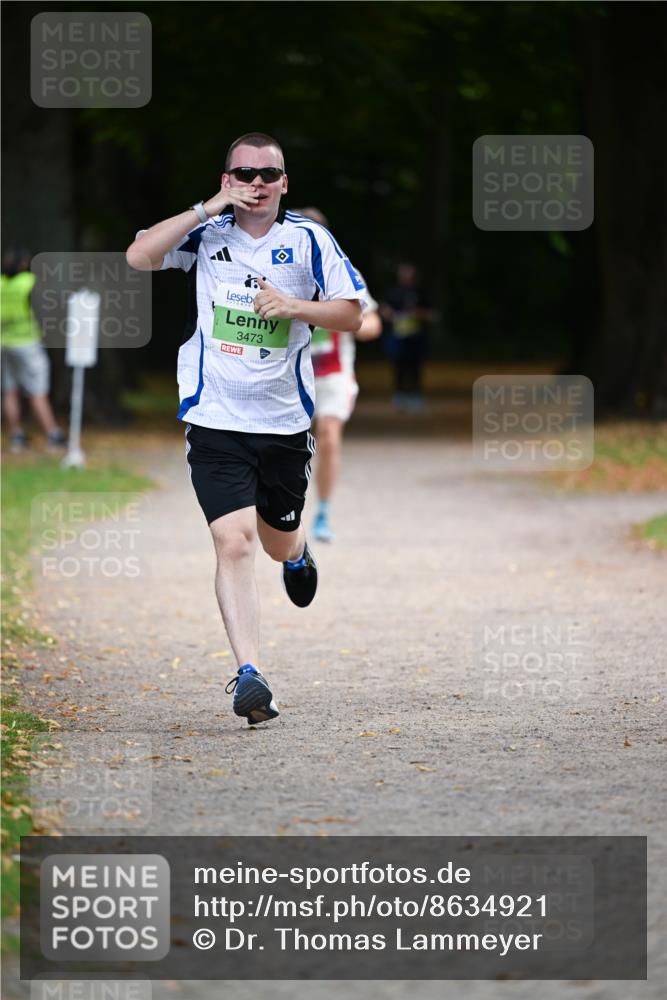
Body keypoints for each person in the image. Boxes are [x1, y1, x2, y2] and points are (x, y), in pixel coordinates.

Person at [126, 132, 365, 726]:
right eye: (243, 173)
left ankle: (298, 551)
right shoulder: (205, 234)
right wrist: (208, 206)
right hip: (214, 417)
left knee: (277, 539)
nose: (255, 183)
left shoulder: (308, 240)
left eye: (267, 174)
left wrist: (294, 307)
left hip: (282, 421)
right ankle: (251, 675)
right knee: (234, 543)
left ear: (284, 183)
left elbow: (353, 314)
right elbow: (138, 256)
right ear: (227, 176)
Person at [293, 208, 381, 543]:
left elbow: (371, 322)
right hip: (287, 376)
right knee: (285, 447)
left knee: (328, 435)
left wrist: (354, 325)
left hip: (332, 374)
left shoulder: (342, 272)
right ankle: (285, 513)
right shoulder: (276, 269)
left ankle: (324, 511)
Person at [1, 248, 66, 453]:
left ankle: (16, 437)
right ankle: (52, 435)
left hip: (4, 343)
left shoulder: (1, 283)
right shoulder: (30, 282)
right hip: (28, 343)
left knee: (9, 391)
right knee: (38, 392)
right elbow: (45, 311)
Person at [380, 262, 436, 413]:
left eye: (409, 274)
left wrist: (418, 314)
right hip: (397, 337)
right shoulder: (393, 292)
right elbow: (383, 310)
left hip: (416, 337)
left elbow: (433, 314)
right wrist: (390, 315)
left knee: (415, 367)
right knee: (398, 366)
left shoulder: (422, 292)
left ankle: (416, 396)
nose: (406, 277)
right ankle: (399, 397)